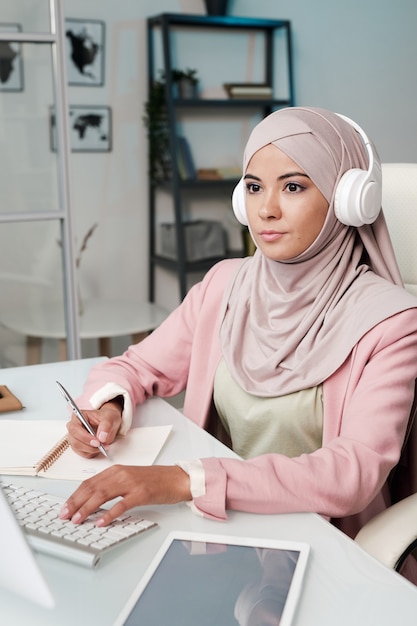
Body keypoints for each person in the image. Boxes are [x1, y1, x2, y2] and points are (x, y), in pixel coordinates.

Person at [60, 106, 417, 548]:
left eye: (292, 187)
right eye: (253, 187)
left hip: (322, 543)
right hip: (218, 524)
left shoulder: (393, 323)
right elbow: (136, 365)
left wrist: (184, 480)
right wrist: (107, 408)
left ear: (347, 199)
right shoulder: (224, 284)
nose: (265, 209)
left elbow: (352, 472)